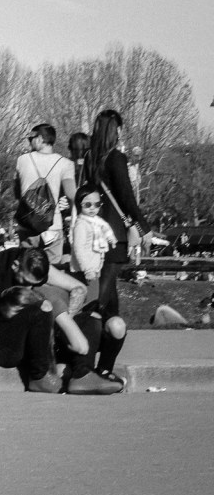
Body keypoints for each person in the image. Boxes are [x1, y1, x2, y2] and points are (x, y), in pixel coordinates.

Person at [0, 246, 87, 392]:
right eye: (25, 280)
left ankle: (83, 371)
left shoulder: (33, 260)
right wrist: (13, 318)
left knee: (63, 308)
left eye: (34, 283)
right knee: (40, 307)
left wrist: (66, 321)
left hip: (22, 337)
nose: (29, 287)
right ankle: (39, 377)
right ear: (15, 266)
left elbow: (79, 288)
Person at [82, 109, 152, 382]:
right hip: (114, 235)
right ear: (117, 130)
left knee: (107, 300)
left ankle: (99, 363)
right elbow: (126, 195)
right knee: (104, 301)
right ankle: (98, 365)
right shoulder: (116, 157)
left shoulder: (90, 158)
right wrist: (142, 226)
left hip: (93, 232)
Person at [13, 123, 76, 265]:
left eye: (31, 138)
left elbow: (17, 193)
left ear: (40, 138)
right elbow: (72, 194)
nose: (29, 142)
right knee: (51, 269)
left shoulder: (22, 160)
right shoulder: (65, 163)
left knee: (26, 267)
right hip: (53, 225)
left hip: (27, 224)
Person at [69, 185, 116, 302]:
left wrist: (111, 238)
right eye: (87, 204)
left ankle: (88, 316)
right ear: (79, 204)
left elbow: (105, 230)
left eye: (97, 204)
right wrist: (87, 269)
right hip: (83, 271)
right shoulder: (81, 225)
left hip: (94, 268)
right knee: (86, 299)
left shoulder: (97, 222)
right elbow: (78, 249)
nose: (92, 208)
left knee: (93, 298)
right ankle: (83, 318)